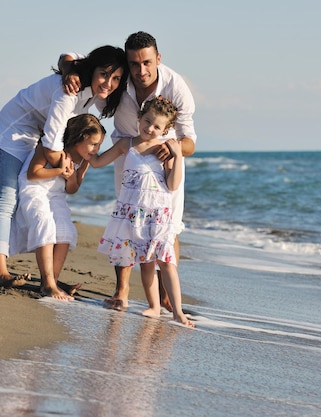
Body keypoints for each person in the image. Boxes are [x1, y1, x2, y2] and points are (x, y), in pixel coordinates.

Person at [60, 31, 197, 310]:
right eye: (134, 64)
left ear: (158, 59)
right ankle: (121, 292)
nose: (140, 70)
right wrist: (67, 73)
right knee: (126, 225)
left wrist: (172, 146)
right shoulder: (118, 77)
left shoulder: (176, 86)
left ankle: (165, 297)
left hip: (164, 164)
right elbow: (70, 59)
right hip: (127, 155)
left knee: (167, 229)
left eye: (147, 62)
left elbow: (190, 141)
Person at [0, 45, 128, 288]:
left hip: (38, 134)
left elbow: (67, 56)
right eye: (104, 74)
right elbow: (51, 149)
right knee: (7, 200)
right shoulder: (68, 94)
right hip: (14, 132)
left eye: (116, 78)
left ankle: (49, 280)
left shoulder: (94, 92)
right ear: (93, 70)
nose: (108, 83)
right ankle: (0, 272)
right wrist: (69, 166)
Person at [89, 97, 194, 327]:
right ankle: (154, 307)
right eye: (147, 121)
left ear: (165, 130)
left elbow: (173, 184)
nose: (150, 128)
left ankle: (178, 312)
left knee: (166, 262)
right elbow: (97, 162)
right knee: (145, 263)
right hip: (134, 214)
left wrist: (176, 156)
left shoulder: (163, 149)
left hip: (158, 214)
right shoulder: (126, 145)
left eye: (157, 126)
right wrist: (85, 148)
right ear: (139, 117)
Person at [10, 114, 106, 300]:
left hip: (56, 195)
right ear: (79, 137)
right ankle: (48, 283)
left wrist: (70, 177)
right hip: (35, 189)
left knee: (65, 230)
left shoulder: (84, 159)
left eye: (100, 145)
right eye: (93, 144)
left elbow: (73, 188)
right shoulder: (52, 147)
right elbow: (32, 173)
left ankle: (52, 280)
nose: (97, 149)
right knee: (45, 223)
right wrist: (59, 171)